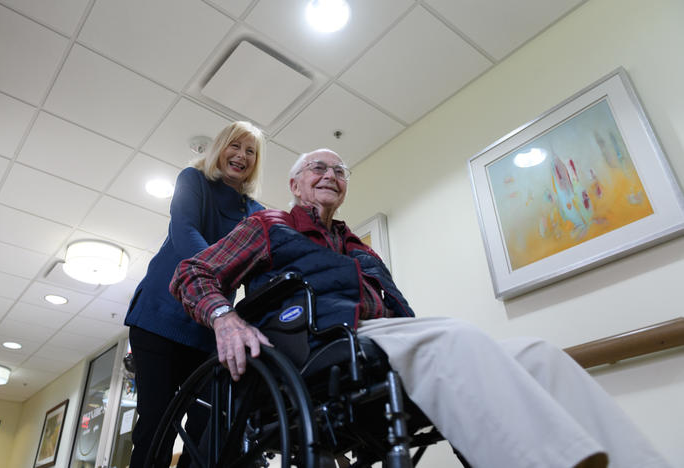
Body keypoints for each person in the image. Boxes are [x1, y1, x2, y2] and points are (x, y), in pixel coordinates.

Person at [169, 149, 671, 468]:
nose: (330, 175)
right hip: (314, 344)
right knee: (453, 338)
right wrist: (224, 317)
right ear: (296, 185)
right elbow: (192, 274)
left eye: (340, 171)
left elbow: (401, 317)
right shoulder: (268, 225)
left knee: (538, 354)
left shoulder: (360, 247)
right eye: (318, 168)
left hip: (380, 339)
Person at [124, 121, 266, 468]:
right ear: (220, 147)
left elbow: (258, 272)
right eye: (235, 146)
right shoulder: (193, 181)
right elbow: (185, 231)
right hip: (160, 318)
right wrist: (216, 284)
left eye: (251, 151)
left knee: (208, 429)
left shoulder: (256, 214)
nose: (241, 156)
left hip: (209, 332)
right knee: (157, 423)